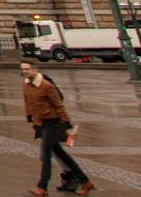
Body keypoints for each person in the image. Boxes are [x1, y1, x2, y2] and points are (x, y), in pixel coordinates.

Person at [22, 62, 92, 196]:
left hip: (52, 122)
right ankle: (85, 181)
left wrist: (68, 125)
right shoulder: (26, 84)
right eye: (23, 69)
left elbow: (59, 104)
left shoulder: (46, 85)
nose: (25, 72)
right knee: (60, 154)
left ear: (35, 69)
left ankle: (42, 187)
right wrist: (30, 116)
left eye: (27, 69)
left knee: (46, 155)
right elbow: (28, 101)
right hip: (41, 123)